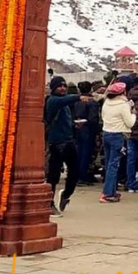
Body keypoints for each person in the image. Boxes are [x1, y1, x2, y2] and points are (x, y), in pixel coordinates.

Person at [44, 76, 83, 216]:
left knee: (75, 172)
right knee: (53, 176)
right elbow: (64, 100)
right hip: (56, 143)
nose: (62, 88)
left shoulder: (64, 104)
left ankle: (66, 195)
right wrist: (79, 97)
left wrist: (74, 125)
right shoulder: (54, 101)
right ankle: (49, 203)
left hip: (68, 141)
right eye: (59, 86)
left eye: (64, 86)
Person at [100, 82, 134, 203]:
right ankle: (108, 193)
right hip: (118, 135)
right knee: (114, 165)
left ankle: (111, 190)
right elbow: (130, 123)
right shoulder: (123, 105)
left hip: (106, 133)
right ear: (123, 92)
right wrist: (133, 114)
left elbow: (103, 117)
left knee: (109, 164)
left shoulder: (106, 103)